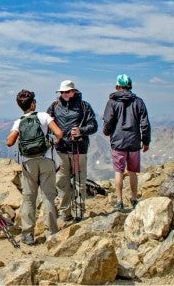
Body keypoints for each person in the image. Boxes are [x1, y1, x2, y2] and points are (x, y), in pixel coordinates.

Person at [6, 89, 63, 246]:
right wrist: (53, 141)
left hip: (28, 162)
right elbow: (59, 133)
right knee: (48, 197)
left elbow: (9, 142)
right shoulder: (43, 116)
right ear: (33, 104)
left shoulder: (19, 122)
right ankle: (51, 233)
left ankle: (28, 235)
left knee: (29, 198)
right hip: (46, 160)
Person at [46, 80, 98, 222]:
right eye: (62, 92)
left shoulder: (84, 106)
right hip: (61, 149)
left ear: (74, 91)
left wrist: (81, 131)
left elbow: (94, 125)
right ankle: (65, 212)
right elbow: (46, 123)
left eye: (67, 91)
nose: (64, 94)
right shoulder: (54, 106)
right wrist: (54, 136)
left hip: (79, 149)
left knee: (80, 182)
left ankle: (79, 212)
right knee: (61, 181)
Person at [102, 74, 151, 211]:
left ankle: (119, 201)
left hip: (118, 142)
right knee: (132, 172)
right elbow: (145, 124)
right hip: (134, 141)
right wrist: (145, 141)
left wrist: (107, 132)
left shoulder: (112, 102)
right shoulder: (138, 102)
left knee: (119, 172)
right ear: (130, 85)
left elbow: (108, 120)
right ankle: (134, 199)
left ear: (117, 86)